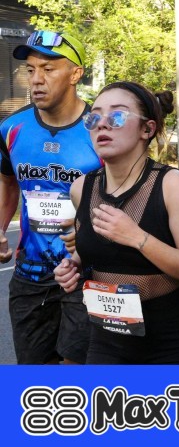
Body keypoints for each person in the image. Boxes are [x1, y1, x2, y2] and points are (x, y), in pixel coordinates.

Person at [53, 81, 179, 363]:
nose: (102, 124)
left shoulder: (171, 185)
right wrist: (72, 266)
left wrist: (136, 237)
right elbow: (95, 249)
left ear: (147, 129)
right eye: (94, 117)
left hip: (171, 338)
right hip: (107, 335)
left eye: (117, 115)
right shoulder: (81, 188)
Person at [0, 30, 101, 365]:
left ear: (75, 74)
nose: (36, 80)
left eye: (48, 69)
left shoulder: (100, 129)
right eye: (31, 70)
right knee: (35, 378)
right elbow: (8, 182)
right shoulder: (11, 128)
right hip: (29, 274)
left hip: (86, 272)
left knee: (76, 374)